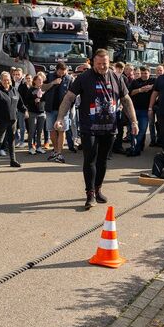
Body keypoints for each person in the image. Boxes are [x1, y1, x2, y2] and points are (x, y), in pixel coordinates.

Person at [55, 49, 138, 209]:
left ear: (109, 63)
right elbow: (69, 98)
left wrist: (134, 121)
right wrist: (60, 118)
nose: (102, 67)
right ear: (93, 62)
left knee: (103, 161)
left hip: (110, 127)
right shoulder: (83, 78)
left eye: (105, 64)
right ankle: (90, 193)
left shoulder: (116, 77)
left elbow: (126, 100)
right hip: (89, 127)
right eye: (99, 64)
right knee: (90, 159)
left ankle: (98, 188)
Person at [0, 71, 28, 170]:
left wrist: (25, 111)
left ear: (10, 80)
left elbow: (20, 104)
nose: (6, 82)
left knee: (11, 141)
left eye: (8, 80)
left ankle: (13, 160)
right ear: (1, 81)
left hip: (13, 120)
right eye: (4, 80)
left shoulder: (15, 90)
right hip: (1, 120)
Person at [44, 62, 72, 163]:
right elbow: (42, 87)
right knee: (51, 130)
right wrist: (53, 83)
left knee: (61, 130)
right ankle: (55, 151)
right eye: (60, 72)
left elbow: (72, 95)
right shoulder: (49, 76)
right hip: (50, 109)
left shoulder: (69, 79)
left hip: (63, 110)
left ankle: (59, 153)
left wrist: (69, 107)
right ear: (57, 70)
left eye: (64, 72)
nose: (62, 74)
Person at [127, 66, 156, 156]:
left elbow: (160, 86)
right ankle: (134, 147)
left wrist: (150, 87)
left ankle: (136, 147)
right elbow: (130, 92)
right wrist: (140, 90)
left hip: (145, 110)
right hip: (134, 110)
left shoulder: (153, 81)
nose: (143, 75)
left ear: (149, 73)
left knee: (142, 131)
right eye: (142, 73)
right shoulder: (135, 81)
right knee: (133, 130)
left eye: (145, 73)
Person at [25, 72, 47, 155]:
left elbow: (46, 100)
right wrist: (34, 101)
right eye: (39, 80)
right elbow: (26, 101)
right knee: (32, 130)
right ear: (34, 81)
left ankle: (39, 147)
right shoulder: (30, 90)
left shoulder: (43, 89)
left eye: (41, 80)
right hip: (32, 112)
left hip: (42, 112)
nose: (41, 81)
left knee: (40, 131)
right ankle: (30, 147)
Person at [11, 67, 28, 147]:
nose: (16, 76)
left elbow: (25, 96)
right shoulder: (12, 83)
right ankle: (17, 139)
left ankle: (22, 141)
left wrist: (25, 108)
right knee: (14, 125)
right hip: (13, 107)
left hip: (21, 107)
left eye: (18, 74)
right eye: (15, 74)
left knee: (21, 125)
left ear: (22, 75)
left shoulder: (24, 83)